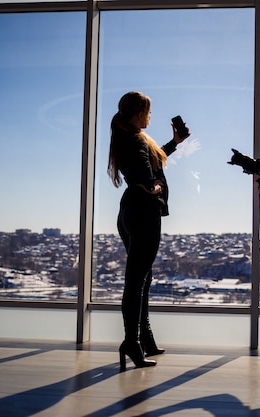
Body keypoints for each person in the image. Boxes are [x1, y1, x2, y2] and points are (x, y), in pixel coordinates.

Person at [107, 91, 189, 370]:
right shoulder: (136, 139)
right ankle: (132, 342)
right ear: (140, 113)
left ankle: (145, 339)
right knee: (137, 281)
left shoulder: (127, 137)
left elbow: (152, 159)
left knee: (142, 278)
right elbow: (145, 176)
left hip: (129, 211)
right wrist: (157, 188)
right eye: (148, 112)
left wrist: (175, 143)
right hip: (144, 212)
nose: (150, 116)